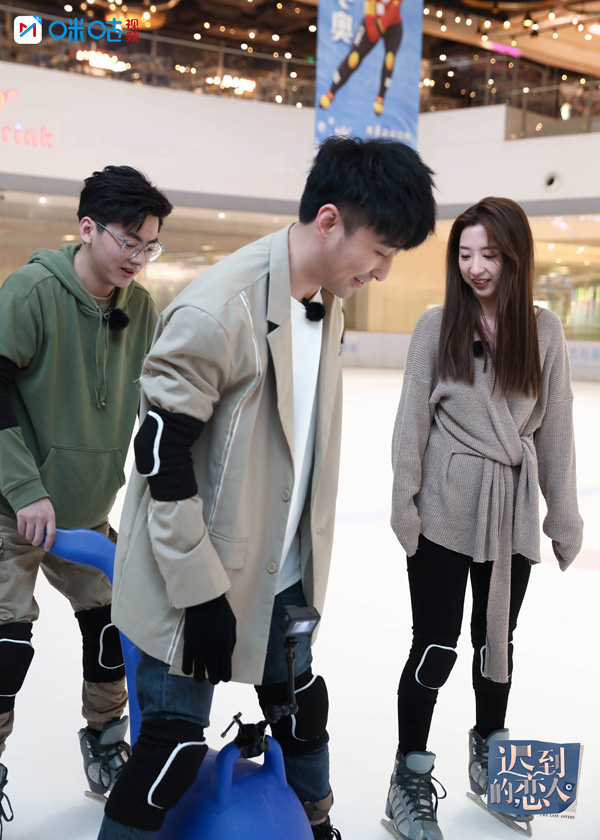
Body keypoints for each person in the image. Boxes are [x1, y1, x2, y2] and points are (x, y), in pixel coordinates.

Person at [98, 135, 437, 840]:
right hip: (192, 575)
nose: (382, 272)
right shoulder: (219, 309)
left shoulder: (328, 302)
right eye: (380, 251)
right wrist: (201, 593)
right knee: (170, 750)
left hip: (281, 570)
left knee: (302, 713)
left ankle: (316, 828)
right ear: (329, 221)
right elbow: (161, 458)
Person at [386, 197, 583, 840]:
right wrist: (405, 502)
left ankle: (492, 762)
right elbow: (411, 421)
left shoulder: (544, 331)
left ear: (515, 257)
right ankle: (409, 777)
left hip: (511, 509)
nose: (475, 267)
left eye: (490, 255)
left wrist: (564, 516)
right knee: (435, 643)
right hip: (445, 508)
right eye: (465, 254)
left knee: (496, 641)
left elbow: (556, 429)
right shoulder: (437, 325)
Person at [0, 166, 173, 822]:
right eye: (129, 241)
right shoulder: (32, 291)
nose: (138, 257)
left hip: (87, 515)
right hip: (10, 510)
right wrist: (24, 488)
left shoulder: (141, 308)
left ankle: (105, 742)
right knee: (6, 649)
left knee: (112, 627)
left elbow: (159, 398)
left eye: (150, 245)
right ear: (88, 228)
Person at [320, 0, 403, 116]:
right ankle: (331, 92)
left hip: (393, 26)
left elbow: (393, 13)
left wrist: (381, 25)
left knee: (390, 59)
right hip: (372, 24)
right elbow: (372, 34)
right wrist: (378, 26)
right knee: (353, 58)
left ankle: (380, 98)